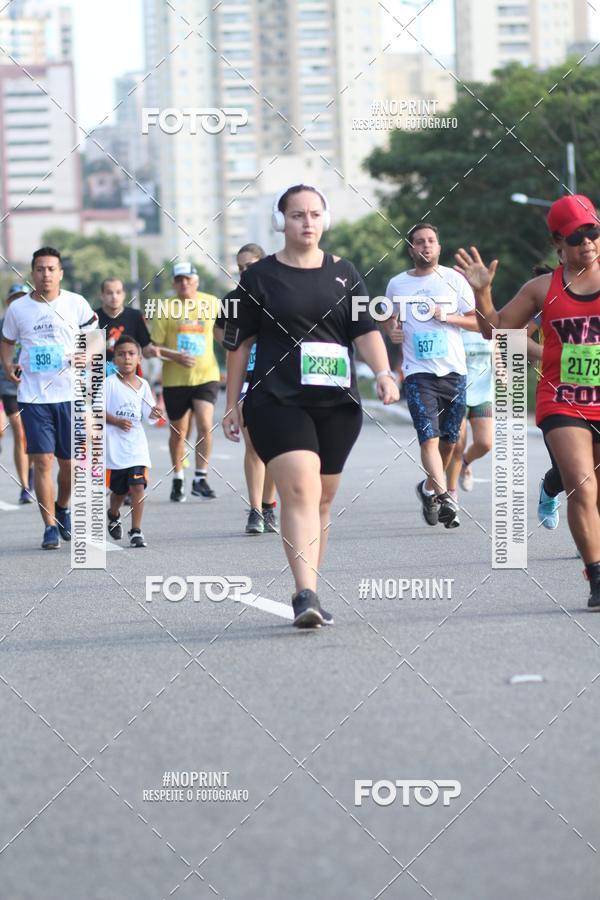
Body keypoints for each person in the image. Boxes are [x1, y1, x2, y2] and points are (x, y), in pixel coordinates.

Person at [222, 184, 399, 628]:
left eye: (315, 214)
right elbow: (239, 344)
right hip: (276, 399)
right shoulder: (259, 277)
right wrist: (232, 401)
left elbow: (365, 331)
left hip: (336, 402)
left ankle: (313, 588)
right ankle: (304, 594)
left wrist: (381, 372)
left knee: (322, 498)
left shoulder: (346, 273)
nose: (307, 222)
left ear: (325, 219)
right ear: (282, 221)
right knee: (300, 490)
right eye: (297, 215)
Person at [454, 194, 600, 609]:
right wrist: (483, 294)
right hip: (563, 402)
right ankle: (597, 578)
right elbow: (495, 329)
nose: (587, 242)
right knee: (582, 488)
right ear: (559, 243)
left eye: (593, 232)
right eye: (576, 237)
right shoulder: (542, 288)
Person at [0, 248, 98, 549]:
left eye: (51, 269)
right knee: (42, 461)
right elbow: (6, 342)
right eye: (40, 269)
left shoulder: (75, 303)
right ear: (32, 273)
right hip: (33, 396)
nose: (46, 274)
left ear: (60, 273)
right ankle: (49, 527)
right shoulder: (18, 310)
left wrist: (86, 355)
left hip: (69, 394)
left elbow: (94, 337)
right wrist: (8, 364)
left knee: (68, 465)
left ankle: (63, 505)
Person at [382, 222, 477, 529]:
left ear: (439, 246)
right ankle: (444, 497)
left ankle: (427, 490)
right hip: (417, 373)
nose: (426, 246)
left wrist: (446, 316)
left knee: (450, 442)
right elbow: (388, 319)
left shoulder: (455, 279)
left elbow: (478, 322)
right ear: (411, 249)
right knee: (429, 439)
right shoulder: (397, 284)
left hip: (454, 371)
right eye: (419, 242)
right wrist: (392, 332)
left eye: (431, 241)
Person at [215, 243, 279, 535]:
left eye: (250, 266)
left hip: (276, 378)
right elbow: (220, 331)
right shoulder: (233, 300)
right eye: (240, 268)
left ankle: (269, 506)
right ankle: (255, 510)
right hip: (247, 378)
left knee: (275, 447)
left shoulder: (279, 295)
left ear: (263, 264)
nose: (244, 272)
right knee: (253, 445)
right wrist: (234, 339)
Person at [148, 262, 221, 502]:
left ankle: (201, 477)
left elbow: (224, 334)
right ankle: (178, 476)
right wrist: (175, 356)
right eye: (179, 280)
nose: (184, 283)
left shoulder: (212, 303)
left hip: (206, 375)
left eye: (188, 279)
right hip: (175, 379)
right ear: (173, 283)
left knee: (205, 423)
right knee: (179, 433)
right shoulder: (164, 308)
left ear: (197, 281)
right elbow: (152, 348)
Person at [105, 334, 161, 548]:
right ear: (114, 360)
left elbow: (148, 415)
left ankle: (136, 530)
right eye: (121, 354)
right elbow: (97, 412)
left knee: (137, 486)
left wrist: (155, 413)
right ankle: (113, 513)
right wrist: (116, 421)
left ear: (139, 358)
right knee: (118, 491)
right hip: (115, 448)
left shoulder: (144, 385)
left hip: (136, 447)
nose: (126, 358)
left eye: (131, 354)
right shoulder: (108, 384)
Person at [446, 326, 493, 499]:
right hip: (457, 392)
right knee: (457, 445)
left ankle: (466, 462)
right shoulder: (454, 327)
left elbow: (495, 354)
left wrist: (502, 371)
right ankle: (451, 493)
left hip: (483, 393)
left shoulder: (488, 325)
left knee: (485, 443)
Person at [0, 283, 33, 503]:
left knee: (32, 437)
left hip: (33, 386)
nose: (18, 302)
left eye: (22, 297)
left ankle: (30, 475)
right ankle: (25, 487)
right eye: (14, 298)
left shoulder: (34, 323)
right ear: (7, 303)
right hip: (9, 386)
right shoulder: (2, 326)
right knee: (20, 432)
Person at [96, 277, 160, 373]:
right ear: (101, 295)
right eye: (109, 293)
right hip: (101, 379)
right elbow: (88, 353)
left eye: (118, 292)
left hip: (131, 377)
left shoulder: (135, 316)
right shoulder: (93, 318)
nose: (114, 296)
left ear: (124, 295)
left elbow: (146, 349)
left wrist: (153, 351)